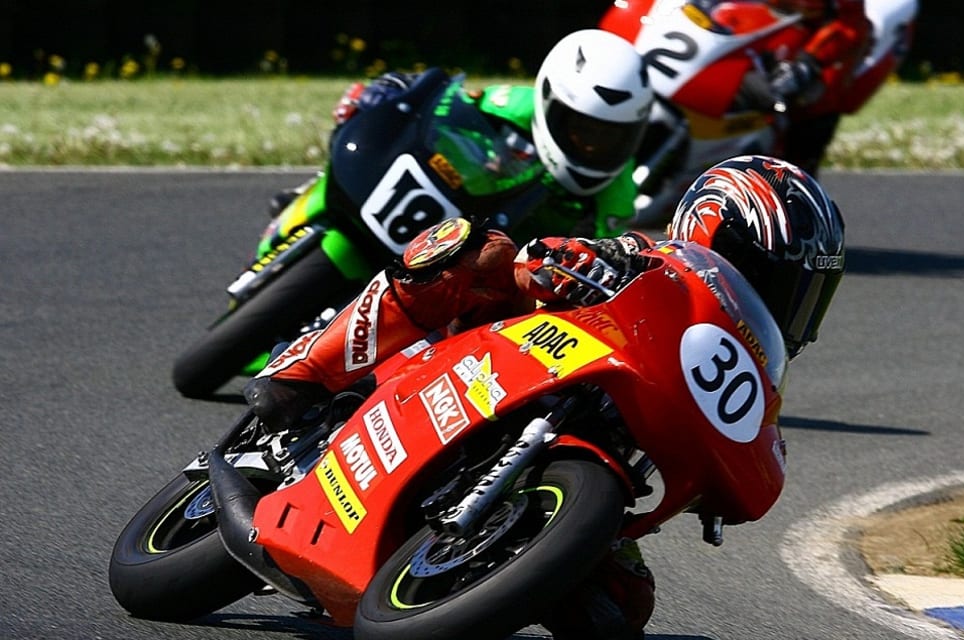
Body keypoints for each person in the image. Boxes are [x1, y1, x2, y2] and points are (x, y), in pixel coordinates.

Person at [243, 154, 846, 639]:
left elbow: (755, 452)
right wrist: (567, 261)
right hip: (497, 357)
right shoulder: (643, 257)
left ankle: (471, 562)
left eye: (808, 292)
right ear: (717, 232)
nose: (791, 302)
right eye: (781, 279)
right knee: (477, 251)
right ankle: (307, 370)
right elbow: (542, 259)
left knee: (623, 608)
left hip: (580, 449)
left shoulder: (752, 367)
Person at [271, 28, 655, 240]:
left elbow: (596, 258)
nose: (591, 144)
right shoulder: (511, 105)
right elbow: (442, 111)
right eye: (581, 128)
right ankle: (315, 189)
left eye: (611, 137)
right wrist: (396, 90)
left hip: (509, 259)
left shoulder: (619, 195)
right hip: (463, 207)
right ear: (548, 101)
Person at [764, 0, 873, 174]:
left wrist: (807, 64)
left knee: (792, 169)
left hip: (812, 73)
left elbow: (849, 25)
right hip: (756, 51)